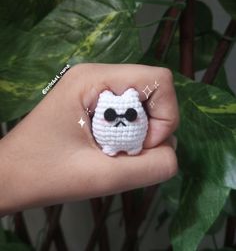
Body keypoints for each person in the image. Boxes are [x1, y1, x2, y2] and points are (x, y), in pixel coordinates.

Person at [0, 64, 179, 216]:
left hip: (134, 144)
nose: (121, 119)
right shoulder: (104, 100)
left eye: (131, 115)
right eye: (110, 115)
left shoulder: (126, 99)